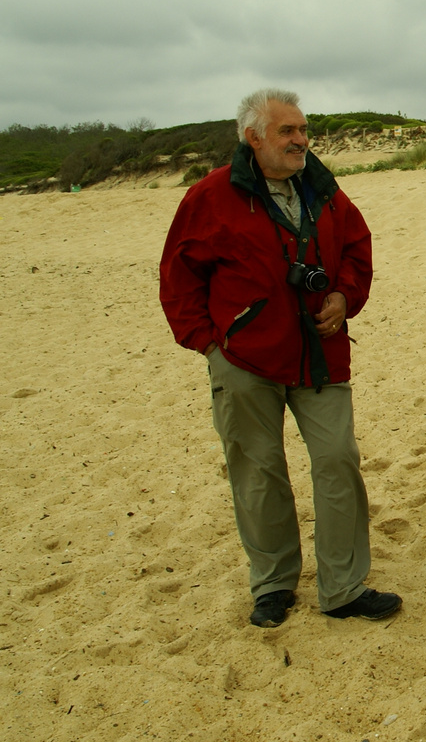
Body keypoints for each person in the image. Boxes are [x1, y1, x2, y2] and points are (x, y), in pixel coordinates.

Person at [159, 89, 401, 627]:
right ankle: (272, 584)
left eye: (303, 130)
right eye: (288, 131)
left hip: (320, 354)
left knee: (338, 461)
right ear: (254, 137)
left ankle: (342, 587)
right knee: (258, 472)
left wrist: (343, 296)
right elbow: (178, 276)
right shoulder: (210, 196)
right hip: (244, 360)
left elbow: (358, 250)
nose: (301, 140)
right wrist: (209, 344)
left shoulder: (324, 188)